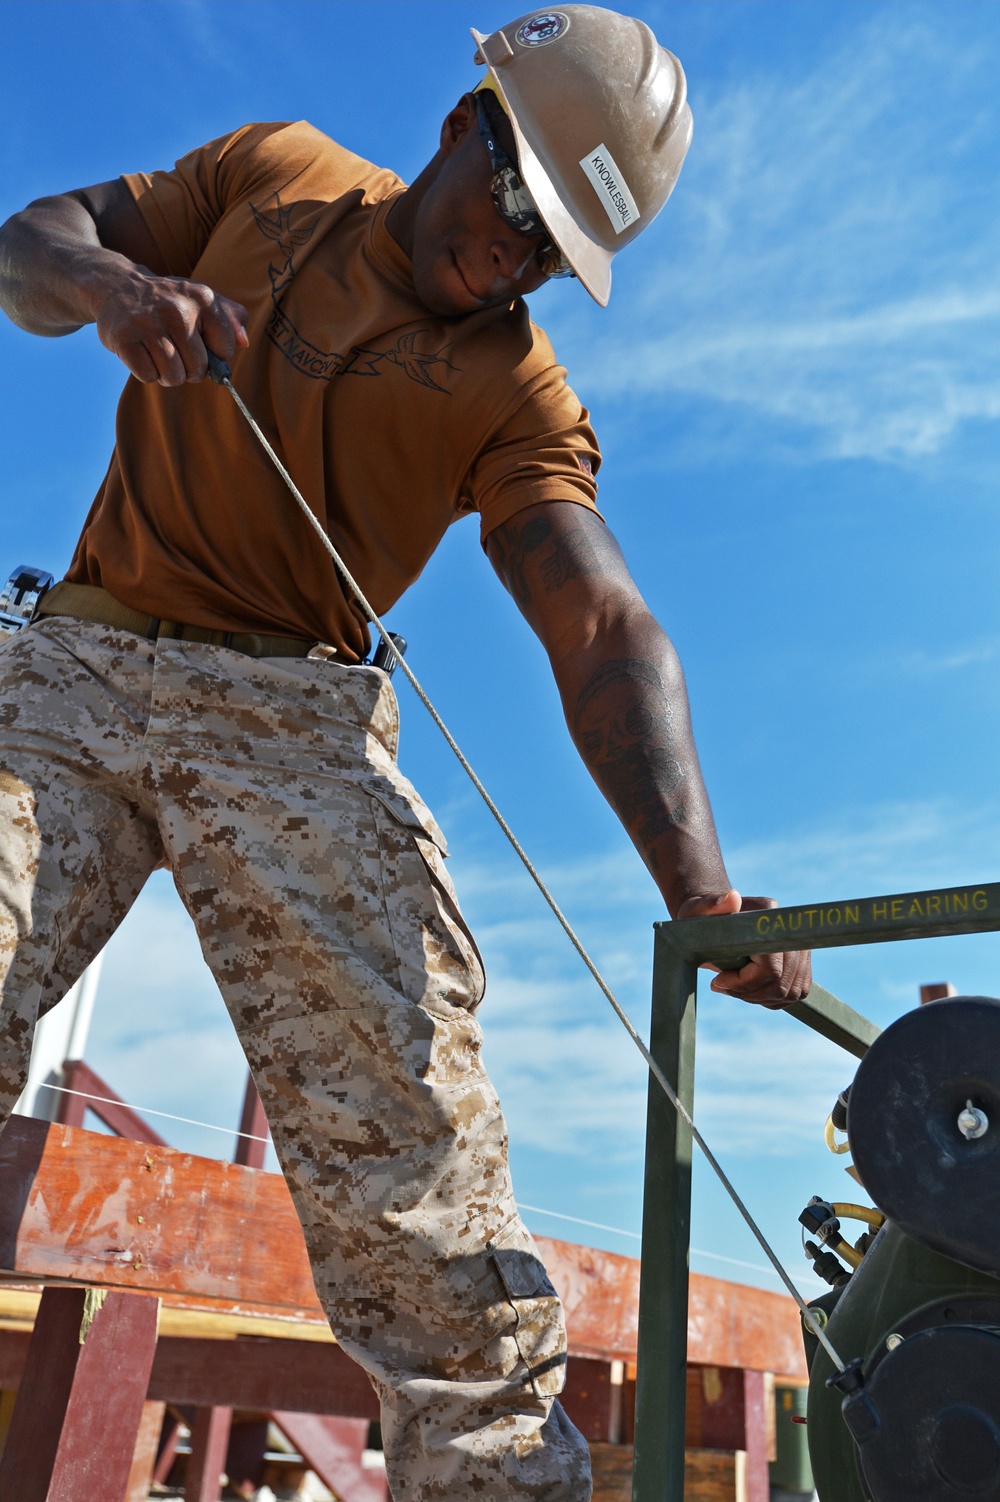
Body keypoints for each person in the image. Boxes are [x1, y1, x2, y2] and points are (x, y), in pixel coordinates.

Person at [0, 6, 810, 1498]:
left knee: (424, 1174)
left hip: (297, 727)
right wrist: (110, 286)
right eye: (516, 206)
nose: (510, 259)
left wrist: (704, 890)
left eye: (551, 249)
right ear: (463, 121)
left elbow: (603, 627)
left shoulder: (516, 392)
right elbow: (27, 239)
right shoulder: (275, 171)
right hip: (78, 667)